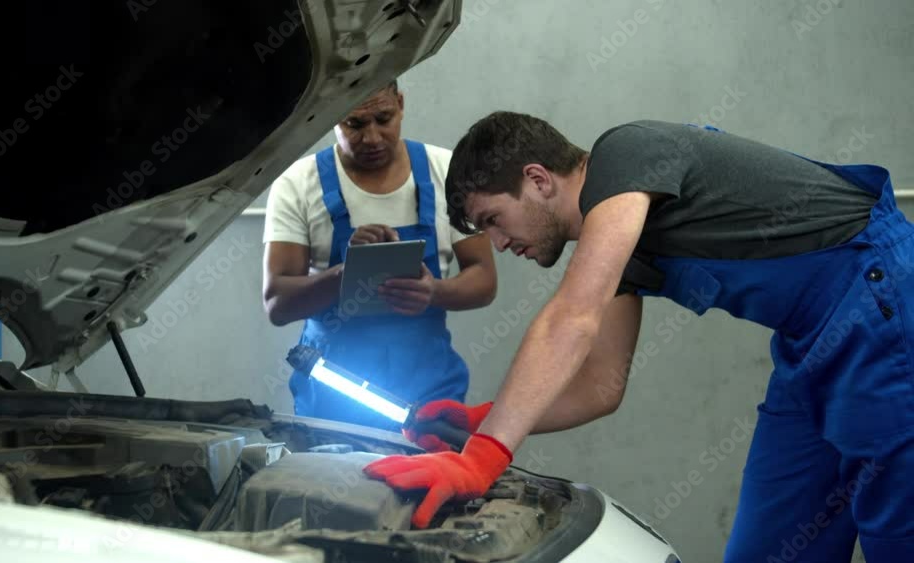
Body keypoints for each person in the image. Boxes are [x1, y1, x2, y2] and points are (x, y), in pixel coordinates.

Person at [363, 114, 913, 562]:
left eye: (496, 220)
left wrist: (481, 458)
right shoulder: (620, 248)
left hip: (882, 306)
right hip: (808, 350)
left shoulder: (628, 153)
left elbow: (573, 316)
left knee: (900, 537)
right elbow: (602, 385)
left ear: (537, 179)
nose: (500, 244)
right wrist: (484, 418)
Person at [261, 81, 497, 431]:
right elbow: (278, 305)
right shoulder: (297, 184)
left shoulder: (446, 171)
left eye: (383, 119)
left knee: (425, 481)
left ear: (400, 105)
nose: (371, 138)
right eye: (354, 125)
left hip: (428, 389)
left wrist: (434, 292)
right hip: (333, 392)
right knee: (332, 482)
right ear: (331, 118)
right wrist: (347, 273)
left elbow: (484, 278)